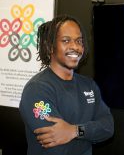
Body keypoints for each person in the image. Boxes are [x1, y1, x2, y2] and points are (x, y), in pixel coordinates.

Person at [19, 15, 114, 155]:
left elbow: (108, 128)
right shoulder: (37, 89)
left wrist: (74, 131)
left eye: (79, 41)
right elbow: (56, 148)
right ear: (49, 46)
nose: (75, 47)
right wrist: (90, 134)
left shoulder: (88, 85)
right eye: (66, 40)